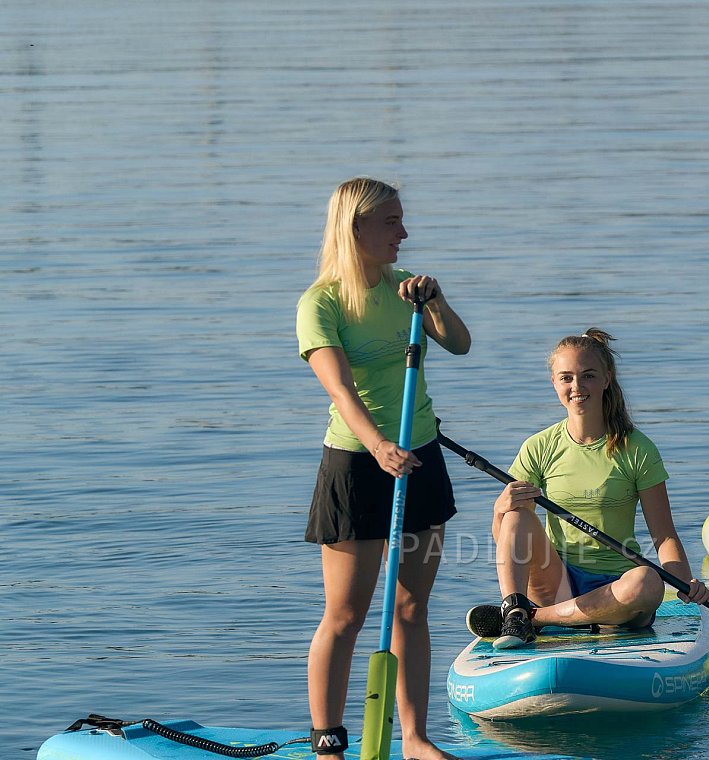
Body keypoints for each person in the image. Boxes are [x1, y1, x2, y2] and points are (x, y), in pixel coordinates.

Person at [295, 177, 470, 759]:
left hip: (420, 456)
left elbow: (460, 344)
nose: (404, 232)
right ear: (356, 229)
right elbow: (341, 390)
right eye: (391, 222)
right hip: (356, 464)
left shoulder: (406, 289)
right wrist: (376, 446)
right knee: (345, 614)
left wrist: (436, 301)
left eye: (401, 220)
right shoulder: (320, 303)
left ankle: (416, 739)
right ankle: (328, 741)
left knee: (412, 607)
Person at [464, 329, 709, 649]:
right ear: (554, 383)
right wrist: (499, 510)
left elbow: (663, 535)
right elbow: (509, 536)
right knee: (515, 514)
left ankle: (533, 619)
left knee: (648, 582)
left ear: (607, 379)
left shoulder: (636, 449)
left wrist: (682, 582)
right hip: (557, 582)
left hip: (619, 590)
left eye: (588, 376)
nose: (577, 387)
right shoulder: (538, 447)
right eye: (566, 378)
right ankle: (515, 608)